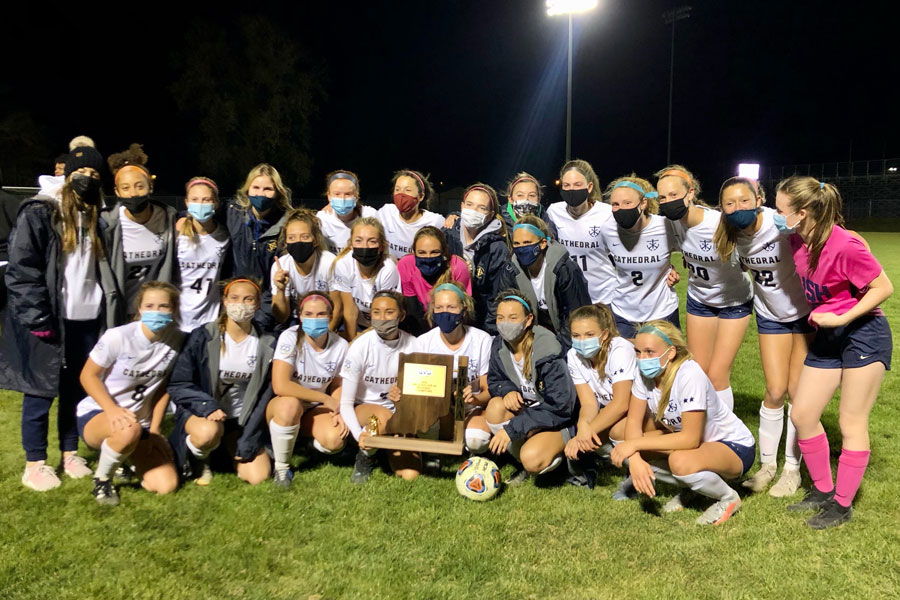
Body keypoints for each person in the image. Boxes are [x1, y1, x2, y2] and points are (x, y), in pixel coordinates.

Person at [775, 177, 893, 529]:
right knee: (803, 414)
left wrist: (842, 316)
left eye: (782, 210)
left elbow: (883, 287)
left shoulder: (845, 243)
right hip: (827, 334)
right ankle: (824, 491)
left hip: (863, 333)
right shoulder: (797, 239)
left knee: (851, 421)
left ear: (803, 212)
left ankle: (842, 505)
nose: (778, 216)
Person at [2, 146, 114, 491]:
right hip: (51, 319)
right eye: (82, 173)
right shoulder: (40, 211)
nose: (88, 179)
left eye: (95, 175)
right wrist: (37, 317)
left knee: (73, 392)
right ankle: (35, 462)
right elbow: (22, 269)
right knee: (38, 392)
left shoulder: (96, 215)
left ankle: (69, 453)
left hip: (86, 320)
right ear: (67, 175)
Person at [714, 177, 812, 497]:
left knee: (797, 393)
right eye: (730, 203)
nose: (738, 208)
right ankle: (767, 466)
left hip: (805, 316)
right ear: (722, 207)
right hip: (770, 317)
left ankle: (792, 469)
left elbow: (823, 231)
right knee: (774, 390)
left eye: (745, 201)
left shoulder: (778, 223)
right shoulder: (730, 233)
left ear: (759, 198)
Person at [610, 321, 756, 525]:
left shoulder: (689, 374)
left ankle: (728, 497)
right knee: (620, 436)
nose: (642, 359)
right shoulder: (643, 374)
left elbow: (690, 438)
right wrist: (634, 460)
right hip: (698, 447)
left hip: (734, 447)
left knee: (679, 461)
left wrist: (634, 445)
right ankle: (693, 490)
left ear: (670, 353)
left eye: (650, 352)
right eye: (638, 352)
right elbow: (632, 424)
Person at [76, 281, 184, 505]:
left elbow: (165, 388)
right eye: (150, 305)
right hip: (99, 414)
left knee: (166, 486)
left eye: (164, 306)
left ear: (174, 309)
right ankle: (103, 479)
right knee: (127, 429)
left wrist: (154, 428)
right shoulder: (118, 336)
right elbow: (88, 376)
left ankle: (123, 459)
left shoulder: (178, 340)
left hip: (140, 423)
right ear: (140, 309)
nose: (156, 311)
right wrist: (112, 409)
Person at [656, 165, 753, 410]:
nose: (668, 202)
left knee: (718, 374)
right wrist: (668, 268)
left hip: (734, 302)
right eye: (662, 198)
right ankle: (701, 427)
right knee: (698, 370)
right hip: (700, 300)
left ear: (690, 193)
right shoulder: (670, 224)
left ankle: (725, 435)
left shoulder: (719, 223)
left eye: (673, 196)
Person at [167, 278, 277, 487]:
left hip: (239, 420)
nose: (240, 304)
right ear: (224, 301)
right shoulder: (203, 336)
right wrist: (206, 406)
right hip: (204, 415)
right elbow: (179, 384)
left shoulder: (267, 343)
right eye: (234, 298)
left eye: (248, 299)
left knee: (258, 477)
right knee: (208, 433)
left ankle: (223, 450)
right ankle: (199, 459)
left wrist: (250, 438)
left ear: (256, 304)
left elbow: (265, 396)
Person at [485, 291, 577, 481]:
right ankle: (523, 464)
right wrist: (507, 390)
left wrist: (512, 429)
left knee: (533, 458)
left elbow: (561, 405)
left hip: (556, 418)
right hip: (529, 413)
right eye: (500, 318)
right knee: (495, 407)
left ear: (528, 320)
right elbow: (495, 380)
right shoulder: (499, 346)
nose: (505, 323)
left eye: (513, 318)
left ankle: (554, 461)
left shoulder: (547, 350)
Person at [339, 290, 421, 483]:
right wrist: (359, 435)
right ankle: (365, 455)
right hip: (365, 409)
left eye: (389, 312)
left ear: (401, 316)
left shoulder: (414, 345)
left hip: (399, 413)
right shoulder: (360, 347)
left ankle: (382, 448)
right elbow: (345, 403)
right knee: (381, 418)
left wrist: (404, 399)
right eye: (376, 312)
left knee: (411, 475)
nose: (382, 318)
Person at [269, 292, 350, 486]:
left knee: (335, 441)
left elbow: (338, 384)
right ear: (300, 315)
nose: (315, 319)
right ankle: (282, 468)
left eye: (321, 314)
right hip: (284, 404)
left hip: (314, 408)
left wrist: (338, 409)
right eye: (309, 314)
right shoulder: (289, 337)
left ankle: (298, 441)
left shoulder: (341, 345)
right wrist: (325, 399)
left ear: (331, 317)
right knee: (289, 406)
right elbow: (280, 385)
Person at [562, 304, 636, 487]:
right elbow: (589, 404)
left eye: (589, 335)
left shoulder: (620, 350)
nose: (582, 341)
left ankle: (638, 471)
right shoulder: (573, 356)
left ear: (604, 335)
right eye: (576, 336)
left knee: (616, 431)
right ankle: (619, 462)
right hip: (616, 411)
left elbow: (621, 404)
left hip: (641, 410)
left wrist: (586, 433)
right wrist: (583, 426)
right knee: (590, 439)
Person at [598, 175, 680, 339]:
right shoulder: (608, 229)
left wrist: (674, 270)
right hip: (623, 313)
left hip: (662, 312)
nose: (621, 209)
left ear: (643, 203)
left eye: (627, 203)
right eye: (615, 204)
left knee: (665, 362)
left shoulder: (665, 226)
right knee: (624, 363)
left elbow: (690, 250)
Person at [416, 283, 493, 454]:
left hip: (472, 409)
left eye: (451, 307)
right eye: (439, 307)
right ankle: (432, 454)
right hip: (439, 411)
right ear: (432, 310)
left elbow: (488, 386)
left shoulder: (482, 340)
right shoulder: (423, 342)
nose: (445, 312)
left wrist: (476, 398)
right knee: (425, 415)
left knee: (476, 439)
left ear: (463, 310)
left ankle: (473, 451)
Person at [103, 144, 177, 321]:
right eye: (126, 188)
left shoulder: (169, 218)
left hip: (155, 313)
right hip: (120, 312)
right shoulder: (108, 226)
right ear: (117, 191)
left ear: (150, 186)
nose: (133, 194)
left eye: (139, 186)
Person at [504, 216, 591, 348]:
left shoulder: (564, 268)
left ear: (543, 243)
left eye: (527, 242)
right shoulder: (511, 270)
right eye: (517, 243)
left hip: (566, 333)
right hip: (533, 334)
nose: (521, 248)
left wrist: (564, 351)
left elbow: (576, 313)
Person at [443, 183, 514, 333]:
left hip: (480, 323)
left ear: (490, 214)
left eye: (481, 208)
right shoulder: (446, 235)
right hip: (447, 317)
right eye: (469, 205)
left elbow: (496, 296)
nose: (473, 211)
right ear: (462, 206)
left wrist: (488, 332)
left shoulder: (497, 248)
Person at [545, 159, 617, 306]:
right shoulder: (554, 211)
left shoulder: (606, 213)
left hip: (604, 297)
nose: (572, 190)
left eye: (578, 185)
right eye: (567, 185)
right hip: (570, 296)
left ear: (589, 187)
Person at [176, 177, 232, 332]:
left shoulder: (225, 237)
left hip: (209, 321)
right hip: (178, 320)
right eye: (195, 199)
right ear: (187, 203)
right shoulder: (177, 235)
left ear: (216, 203)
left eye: (207, 200)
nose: (200, 204)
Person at [331, 217, 401, 340]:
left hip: (385, 325)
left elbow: (385, 315)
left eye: (372, 241)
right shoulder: (343, 264)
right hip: (358, 325)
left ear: (381, 246)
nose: (365, 246)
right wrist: (351, 341)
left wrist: (362, 340)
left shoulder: (388, 269)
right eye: (358, 241)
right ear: (351, 244)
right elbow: (350, 310)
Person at [225, 163, 292, 292]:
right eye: (255, 187)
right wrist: (184, 216)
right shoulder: (232, 213)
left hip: (269, 300)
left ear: (278, 192)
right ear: (247, 189)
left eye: (268, 189)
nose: (260, 194)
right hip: (238, 296)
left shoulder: (287, 223)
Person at [269, 208, 340, 328]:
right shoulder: (280, 267)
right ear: (285, 243)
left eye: (305, 237)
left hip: (324, 320)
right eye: (291, 238)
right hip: (296, 321)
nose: (298, 242)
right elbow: (281, 317)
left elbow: (337, 307)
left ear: (315, 240)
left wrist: (327, 337)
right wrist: (280, 289)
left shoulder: (329, 263)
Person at [397, 226, 471, 336]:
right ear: (414, 252)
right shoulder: (406, 265)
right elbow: (413, 310)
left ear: (444, 252)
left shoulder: (458, 267)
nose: (428, 257)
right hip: (420, 325)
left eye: (434, 252)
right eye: (422, 252)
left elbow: (462, 310)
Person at [378, 169, 445, 260]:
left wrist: (454, 215)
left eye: (407, 190)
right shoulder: (386, 212)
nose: (401, 194)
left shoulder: (435, 221)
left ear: (421, 196)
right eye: (397, 189)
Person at [315, 170, 378, 253]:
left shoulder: (370, 215)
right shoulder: (322, 219)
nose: (342, 199)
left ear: (356, 196)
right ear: (329, 196)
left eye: (348, 194)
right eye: (337, 194)